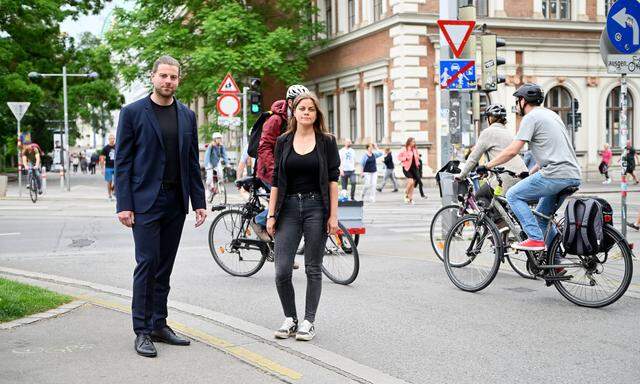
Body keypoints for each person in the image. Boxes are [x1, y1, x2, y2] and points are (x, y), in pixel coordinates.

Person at [114, 55, 206, 358]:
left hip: (175, 202)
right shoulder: (132, 113)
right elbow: (123, 162)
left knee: (164, 268)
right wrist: (124, 204)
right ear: (152, 77)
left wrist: (199, 202)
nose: (168, 81)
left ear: (179, 80)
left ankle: (159, 324)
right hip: (144, 203)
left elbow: (192, 162)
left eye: (174, 77)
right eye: (163, 76)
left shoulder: (186, 115)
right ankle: (141, 330)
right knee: (147, 264)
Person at [265, 92, 339, 342]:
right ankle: (290, 318)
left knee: (312, 267)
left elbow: (333, 179)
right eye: (302, 108)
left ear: (317, 114)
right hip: (287, 209)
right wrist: (271, 215)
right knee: (281, 269)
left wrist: (333, 216)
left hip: (316, 207)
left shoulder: (326, 141)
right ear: (293, 113)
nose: (306, 112)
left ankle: (308, 321)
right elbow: (276, 180)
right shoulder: (283, 141)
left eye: (311, 109)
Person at [480, 83, 581, 251]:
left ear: (523, 101)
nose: (517, 105)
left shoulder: (531, 118)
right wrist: (528, 173)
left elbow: (512, 150)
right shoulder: (551, 115)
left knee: (513, 195)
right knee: (542, 218)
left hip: (555, 175)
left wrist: (487, 165)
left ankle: (534, 238)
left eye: (518, 100)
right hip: (572, 174)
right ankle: (554, 266)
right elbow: (546, 155)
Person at [253, 84, 310, 236]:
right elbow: (264, 148)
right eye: (301, 103)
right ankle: (259, 221)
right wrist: (275, 172)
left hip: (288, 168)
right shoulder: (276, 120)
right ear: (291, 103)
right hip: (268, 169)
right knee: (284, 197)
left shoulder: (299, 118)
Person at [457, 104, 528, 205]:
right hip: (522, 174)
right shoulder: (508, 132)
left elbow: (473, 157)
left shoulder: (488, 132)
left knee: (481, 196)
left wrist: (461, 175)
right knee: (502, 206)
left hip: (507, 176)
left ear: (490, 118)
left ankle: (499, 221)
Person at [204, 132, 229, 200]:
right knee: (209, 179)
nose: (219, 139)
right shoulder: (211, 146)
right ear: (214, 139)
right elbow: (207, 155)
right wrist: (207, 165)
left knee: (220, 175)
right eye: (218, 138)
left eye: (220, 138)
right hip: (210, 163)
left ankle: (220, 186)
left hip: (217, 162)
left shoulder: (221, 146)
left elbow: (224, 155)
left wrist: (227, 163)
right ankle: (209, 190)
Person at [397, 137, 420, 204]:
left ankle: (410, 198)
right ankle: (406, 192)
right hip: (406, 168)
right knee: (410, 181)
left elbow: (417, 157)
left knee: (413, 184)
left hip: (414, 168)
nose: (414, 143)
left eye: (414, 142)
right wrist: (405, 158)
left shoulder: (415, 149)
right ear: (409, 142)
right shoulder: (404, 149)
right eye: (413, 142)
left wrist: (418, 162)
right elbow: (399, 157)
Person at [101, 134, 117, 201]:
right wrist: (102, 168)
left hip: (116, 167)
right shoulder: (105, 148)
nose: (112, 140)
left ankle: (113, 190)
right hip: (108, 167)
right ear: (109, 139)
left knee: (118, 181)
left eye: (113, 138)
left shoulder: (117, 147)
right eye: (111, 138)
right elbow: (102, 158)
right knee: (109, 181)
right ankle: (109, 195)